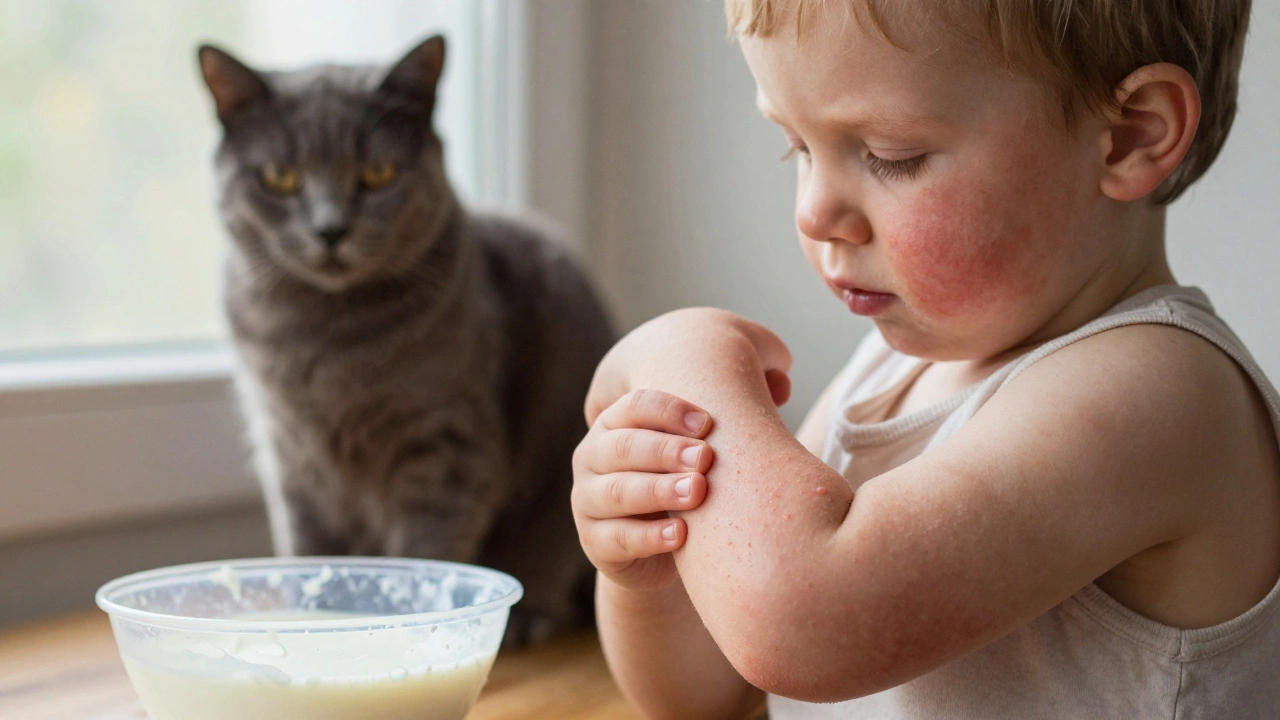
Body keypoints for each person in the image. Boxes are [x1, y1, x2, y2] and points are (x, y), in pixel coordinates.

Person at [570, 1, 1278, 718]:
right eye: (797, 148)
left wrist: (683, 356)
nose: (814, 213)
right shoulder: (886, 374)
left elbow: (803, 628)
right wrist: (650, 557)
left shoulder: (1161, 393)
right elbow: (703, 691)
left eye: (891, 155)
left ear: (1130, 135)